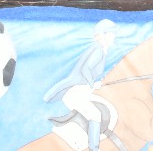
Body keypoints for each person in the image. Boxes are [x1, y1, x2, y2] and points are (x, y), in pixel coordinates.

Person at [43, 19, 118, 151]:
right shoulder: (98, 49)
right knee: (95, 114)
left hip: (80, 89)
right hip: (74, 91)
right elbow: (85, 70)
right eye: (112, 34)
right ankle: (94, 148)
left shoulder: (100, 50)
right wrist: (92, 85)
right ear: (104, 35)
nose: (114, 37)